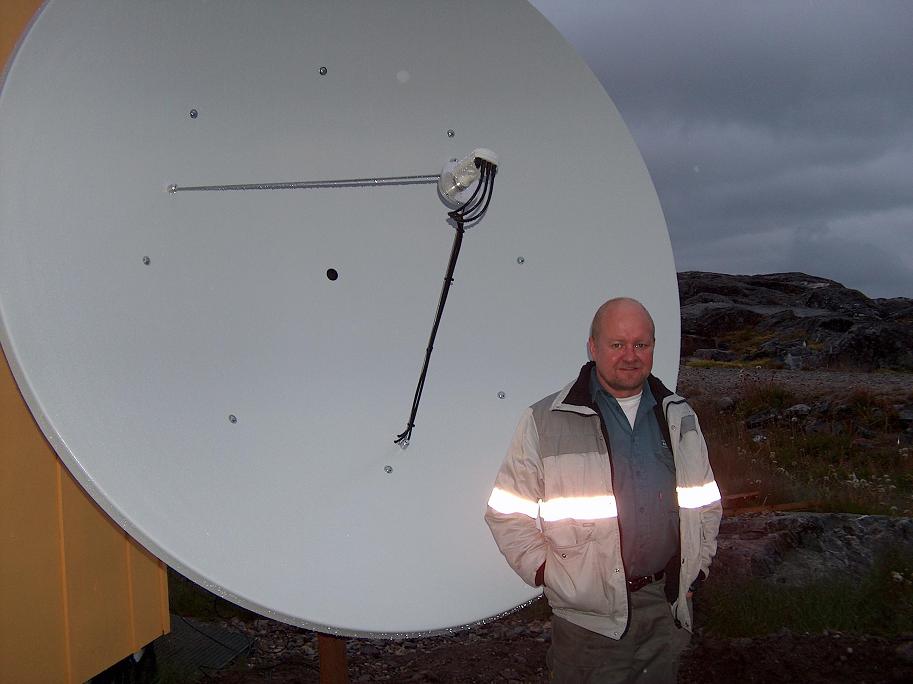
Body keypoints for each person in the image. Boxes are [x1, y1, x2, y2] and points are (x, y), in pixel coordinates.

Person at [485, 297, 722, 683]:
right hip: (588, 625)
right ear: (593, 347)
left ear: (653, 347)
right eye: (617, 344)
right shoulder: (546, 420)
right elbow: (506, 511)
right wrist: (549, 574)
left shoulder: (679, 415)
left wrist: (697, 570)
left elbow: (705, 501)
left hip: (664, 608)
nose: (630, 355)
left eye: (640, 344)